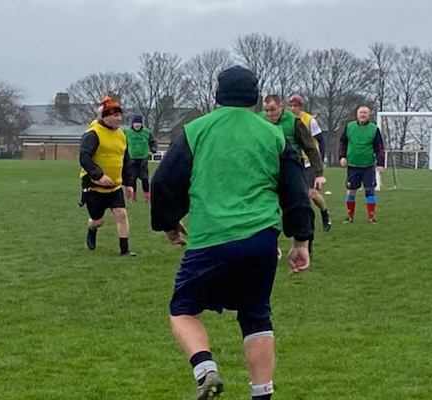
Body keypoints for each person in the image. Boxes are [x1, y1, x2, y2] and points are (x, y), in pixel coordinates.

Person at [151, 66, 314, 400]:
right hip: (260, 240)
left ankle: (205, 369)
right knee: (256, 316)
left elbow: (164, 182)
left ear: (218, 94)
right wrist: (301, 239)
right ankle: (262, 394)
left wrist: (170, 223)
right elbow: (296, 191)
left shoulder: (196, 130)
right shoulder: (273, 134)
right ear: (254, 97)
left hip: (210, 238)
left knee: (183, 310)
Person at [79, 96, 136, 256]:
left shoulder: (121, 135)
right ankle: (92, 228)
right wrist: (99, 176)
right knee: (98, 220)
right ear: (105, 116)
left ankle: (124, 251)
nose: (119, 118)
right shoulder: (92, 134)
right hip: (94, 186)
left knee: (121, 214)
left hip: (114, 186)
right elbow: (84, 158)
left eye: (120, 115)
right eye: (115, 115)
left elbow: (125, 160)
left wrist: (129, 183)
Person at [285, 94, 332, 232]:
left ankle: (324, 214)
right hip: (295, 161)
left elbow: (320, 140)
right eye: (291, 106)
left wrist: (320, 159)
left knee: (311, 193)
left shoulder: (309, 120)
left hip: (309, 162)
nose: (293, 108)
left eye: (296, 106)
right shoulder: (288, 121)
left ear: (301, 107)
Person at [338, 105, 385, 223]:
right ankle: (350, 217)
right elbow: (343, 142)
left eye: (365, 113)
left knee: (369, 190)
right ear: (357, 114)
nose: (363, 115)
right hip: (353, 165)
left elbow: (379, 147)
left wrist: (380, 163)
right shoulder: (349, 127)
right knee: (351, 190)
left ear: (369, 115)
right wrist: (342, 156)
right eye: (361, 112)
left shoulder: (374, 129)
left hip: (368, 166)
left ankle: (371, 218)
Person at [123, 115, 157, 202]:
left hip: (143, 158)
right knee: (132, 178)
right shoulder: (127, 132)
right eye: (135, 124)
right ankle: (133, 196)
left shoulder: (147, 132)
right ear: (132, 124)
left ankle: (147, 196)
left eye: (138, 124)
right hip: (131, 159)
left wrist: (153, 148)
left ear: (141, 124)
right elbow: (121, 141)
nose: (137, 125)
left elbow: (153, 141)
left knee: (144, 178)